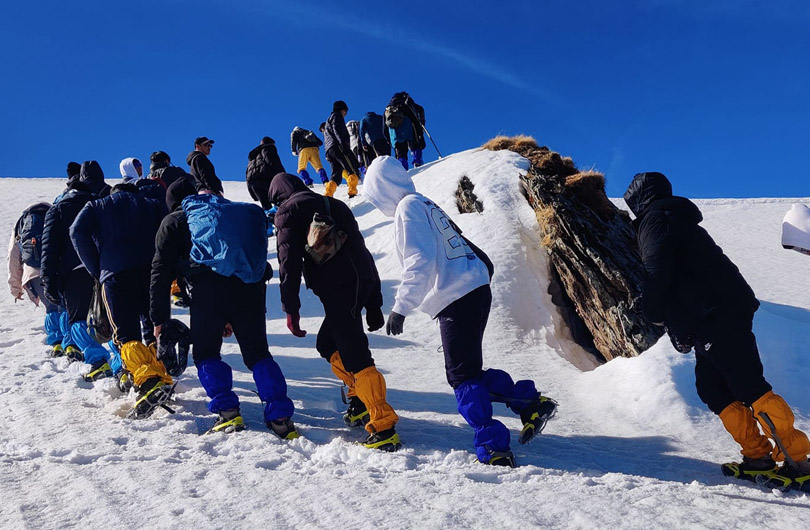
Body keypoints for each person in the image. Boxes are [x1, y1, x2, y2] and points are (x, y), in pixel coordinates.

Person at [624, 171, 810, 491]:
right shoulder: (673, 219)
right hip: (709, 314)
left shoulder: (657, 218)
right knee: (712, 389)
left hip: (715, 313)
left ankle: (799, 459)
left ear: (639, 200)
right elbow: (682, 276)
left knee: (747, 384)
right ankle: (757, 457)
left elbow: (658, 269)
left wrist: (651, 309)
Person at [363, 156, 556, 466]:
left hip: (457, 295)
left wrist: (401, 307)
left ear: (381, 190)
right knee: (470, 371)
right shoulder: (423, 203)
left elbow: (419, 260)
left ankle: (493, 445)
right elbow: (458, 243)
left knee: (462, 378)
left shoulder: (407, 209)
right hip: (473, 288)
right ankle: (530, 403)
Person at [150, 180, 297, 436]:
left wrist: (159, 318)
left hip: (207, 291)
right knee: (259, 354)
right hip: (250, 289)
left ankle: (228, 413)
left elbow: (160, 272)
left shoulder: (175, 220)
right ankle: (280, 417)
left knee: (206, 354)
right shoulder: (237, 213)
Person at [268, 172, 400, 451]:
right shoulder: (334, 204)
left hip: (338, 288)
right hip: (359, 282)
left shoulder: (287, 212)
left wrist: (290, 309)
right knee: (327, 343)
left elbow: (288, 262)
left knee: (357, 356)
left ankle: (383, 423)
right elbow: (363, 252)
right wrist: (373, 301)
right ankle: (360, 399)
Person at [71, 181, 173, 417]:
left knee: (124, 333)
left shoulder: (97, 205)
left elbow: (76, 232)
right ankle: (158, 374)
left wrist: (96, 268)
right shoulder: (151, 204)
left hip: (115, 274)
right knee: (151, 326)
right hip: (151, 272)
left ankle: (148, 381)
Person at [40, 171, 112, 378]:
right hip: (102, 269)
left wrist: (48, 280)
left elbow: (49, 249)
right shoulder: (99, 204)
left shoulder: (58, 210)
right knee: (108, 318)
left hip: (73, 273)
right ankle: (120, 363)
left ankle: (98, 361)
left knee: (77, 319)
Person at [8, 202, 66, 356]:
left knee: (51, 307)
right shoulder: (55, 215)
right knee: (63, 306)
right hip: (56, 269)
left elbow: (13, 257)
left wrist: (15, 288)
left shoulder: (22, 222)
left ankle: (57, 342)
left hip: (33, 273)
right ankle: (71, 342)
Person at [322, 100, 361, 198]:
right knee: (352, 168)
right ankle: (352, 191)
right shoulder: (337, 116)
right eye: (345, 111)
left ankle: (328, 194)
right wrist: (343, 144)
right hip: (338, 146)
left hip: (329, 150)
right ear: (342, 109)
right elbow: (338, 130)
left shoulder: (328, 121)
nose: (345, 114)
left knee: (336, 174)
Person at [384, 92, 426, 170]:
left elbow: (385, 127)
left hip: (395, 134)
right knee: (414, 145)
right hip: (408, 129)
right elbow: (414, 119)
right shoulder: (404, 106)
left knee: (401, 152)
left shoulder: (387, 110)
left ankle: (403, 169)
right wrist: (419, 129)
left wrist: (388, 140)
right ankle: (417, 161)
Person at [246, 136, 287, 209]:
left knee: (266, 206)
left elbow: (247, 175)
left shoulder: (252, 159)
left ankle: (269, 219)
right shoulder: (268, 148)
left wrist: (252, 192)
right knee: (280, 201)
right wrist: (283, 176)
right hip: (266, 180)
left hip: (254, 184)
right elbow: (273, 161)